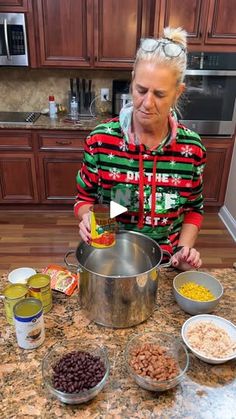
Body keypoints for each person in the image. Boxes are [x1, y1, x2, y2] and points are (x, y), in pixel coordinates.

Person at [74, 27, 206, 271]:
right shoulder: (101, 141)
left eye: (159, 94)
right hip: (110, 258)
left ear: (178, 93)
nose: (146, 103)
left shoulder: (192, 149)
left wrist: (183, 251)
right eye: (141, 90)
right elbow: (84, 199)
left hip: (166, 265)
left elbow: (193, 210)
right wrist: (86, 218)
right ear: (132, 79)